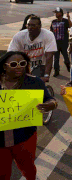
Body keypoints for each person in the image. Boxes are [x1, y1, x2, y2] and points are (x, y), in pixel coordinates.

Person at [0, 51, 57, 180]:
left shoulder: (34, 82)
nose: (19, 67)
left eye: (22, 63)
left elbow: (50, 99)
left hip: (25, 137)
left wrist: (51, 104)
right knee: (2, 173)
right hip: (1, 141)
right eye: (14, 64)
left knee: (28, 169)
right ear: (5, 66)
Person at [8, 16, 57, 82]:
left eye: (33, 25)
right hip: (23, 64)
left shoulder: (48, 35)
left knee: (35, 84)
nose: (30, 27)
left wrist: (46, 75)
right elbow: (11, 54)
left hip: (39, 65)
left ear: (40, 26)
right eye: (29, 25)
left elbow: (49, 57)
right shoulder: (19, 36)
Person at [50, 7, 72, 77]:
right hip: (55, 42)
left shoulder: (65, 21)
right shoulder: (53, 21)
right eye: (55, 13)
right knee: (56, 58)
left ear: (60, 13)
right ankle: (56, 71)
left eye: (57, 12)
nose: (55, 14)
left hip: (64, 43)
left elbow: (71, 26)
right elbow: (51, 31)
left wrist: (68, 18)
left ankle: (69, 67)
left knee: (65, 56)